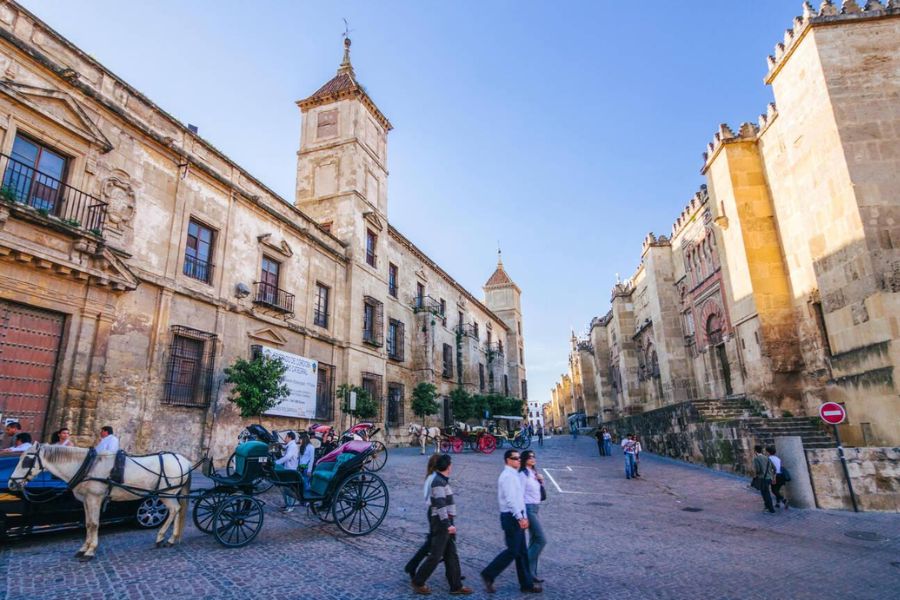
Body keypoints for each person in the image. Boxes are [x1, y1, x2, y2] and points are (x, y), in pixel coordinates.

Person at [410, 454, 472, 595]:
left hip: (444, 521)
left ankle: (456, 586)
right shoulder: (438, 482)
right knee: (436, 555)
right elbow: (440, 505)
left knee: (451, 554)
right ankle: (418, 581)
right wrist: (448, 524)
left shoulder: (441, 480)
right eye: (451, 464)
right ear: (448, 466)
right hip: (441, 522)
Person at [480, 449, 540, 594]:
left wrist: (523, 516)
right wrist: (520, 517)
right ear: (508, 460)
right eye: (515, 458)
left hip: (516, 516)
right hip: (511, 517)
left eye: (519, 458)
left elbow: (519, 499)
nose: (519, 460)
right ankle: (489, 573)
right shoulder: (507, 476)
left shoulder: (513, 475)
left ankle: (526, 584)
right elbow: (511, 500)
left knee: (522, 552)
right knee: (513, 551)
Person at [405, 454, 442, 580]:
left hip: (433, 511)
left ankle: (455, 575)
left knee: (446, 544)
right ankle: (412, 566)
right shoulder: (435, 479)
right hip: (436, 512)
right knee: (432, 543)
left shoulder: (431, 477)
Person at [518, 450, 547, 583]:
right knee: (541, 539)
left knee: (534, 540)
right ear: (524, 459)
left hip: (536, 507)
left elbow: (538, 493)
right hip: (528, 508)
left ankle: (531, 573)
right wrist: (522, 515)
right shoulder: (523, 474)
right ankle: (524, 565)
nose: (532, 458)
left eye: (534, 456)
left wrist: (541, 481)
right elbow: (519, 494)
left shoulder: (534, 472)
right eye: (530, 457)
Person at [276, 431, 299, 512]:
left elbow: (287, 457)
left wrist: (277, 462)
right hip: (288, 469)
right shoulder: (289, 445)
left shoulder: (292, 446)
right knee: (285, 488)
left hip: (291, 470)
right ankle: (287, 504)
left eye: (286, 437)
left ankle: (290, 506)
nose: (285, 438)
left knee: (289, 489)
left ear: (290, 438)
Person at [753, 445, 776, 514]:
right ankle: (767, 507)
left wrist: (756, 473)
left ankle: (771, 509)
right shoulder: (767, 458)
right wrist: (772, 476)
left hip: (762, 479)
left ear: (755, 451)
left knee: (765, 494)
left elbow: (758, 470)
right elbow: (774, 468)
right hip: (769, 478)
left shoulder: (756, 459)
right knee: (766, 493)